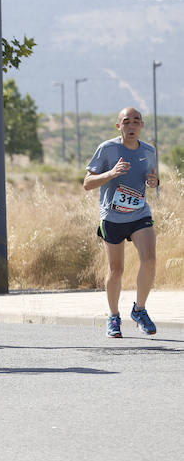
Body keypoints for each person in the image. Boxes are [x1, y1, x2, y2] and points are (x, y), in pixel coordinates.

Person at [83, 107, 159, 337]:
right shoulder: (107, 149)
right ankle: (114, 317)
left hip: (139, 214)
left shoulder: (149, 150)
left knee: (149, 260)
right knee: (116, 270)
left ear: (142, 126)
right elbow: (87, 183)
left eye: (136, 121)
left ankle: (139, 309)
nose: (132, 125)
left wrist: (153, 182)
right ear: (119, 126)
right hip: (112, 217)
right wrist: (111, 173)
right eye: (126, 121)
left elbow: (153, 179)